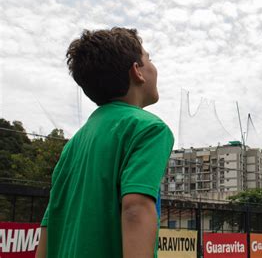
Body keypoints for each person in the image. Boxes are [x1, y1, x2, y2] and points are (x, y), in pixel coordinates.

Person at [36, 27, 174, 258]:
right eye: (149, 59)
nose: (153, 66)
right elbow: (135, 209)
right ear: (137, 72)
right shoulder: (149, 129)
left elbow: (49, 225)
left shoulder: (72, 146)